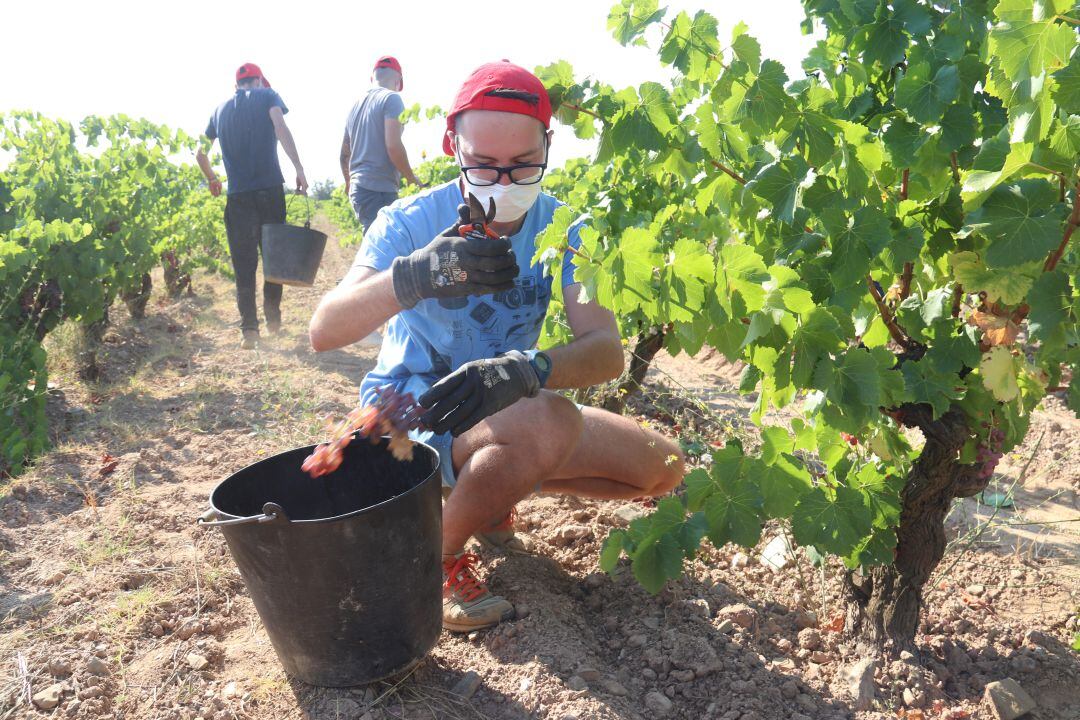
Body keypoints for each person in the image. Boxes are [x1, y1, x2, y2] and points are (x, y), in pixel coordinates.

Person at [310, 61, 684, 632]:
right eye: (484, 164)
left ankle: (488, 485)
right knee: (548, 424)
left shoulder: (567, 228)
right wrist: (413, 277)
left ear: (547, 149)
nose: (504, 183)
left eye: (523, 166)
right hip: (407, 415)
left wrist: (527, 369)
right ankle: (433, 558)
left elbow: (606, 349)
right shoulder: (408, 222)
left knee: (664, 466)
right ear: (451, 145)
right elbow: (325, 329)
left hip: (505, 409)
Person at [197, 62, 309, 349]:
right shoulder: (268, 96)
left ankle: (250, 331)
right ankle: (273, 321)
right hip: (270, 190)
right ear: (259, 81)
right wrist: (298, 166)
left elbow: (200, 153)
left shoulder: (218, 111)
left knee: (243, 264)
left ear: (236, 86)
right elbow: (280, 126)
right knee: (273, 258)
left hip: (238, 196)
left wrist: (212, 179)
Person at [340, 56, 425, 232]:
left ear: (373, 78)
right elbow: (393, 145)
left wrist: (349, 182)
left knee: (375, 242)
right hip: (377, 189)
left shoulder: (354, 107)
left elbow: (344, 154)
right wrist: (410, 177)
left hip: (359, 189)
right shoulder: (391, 98)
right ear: (398, 80)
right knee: (384, 248)